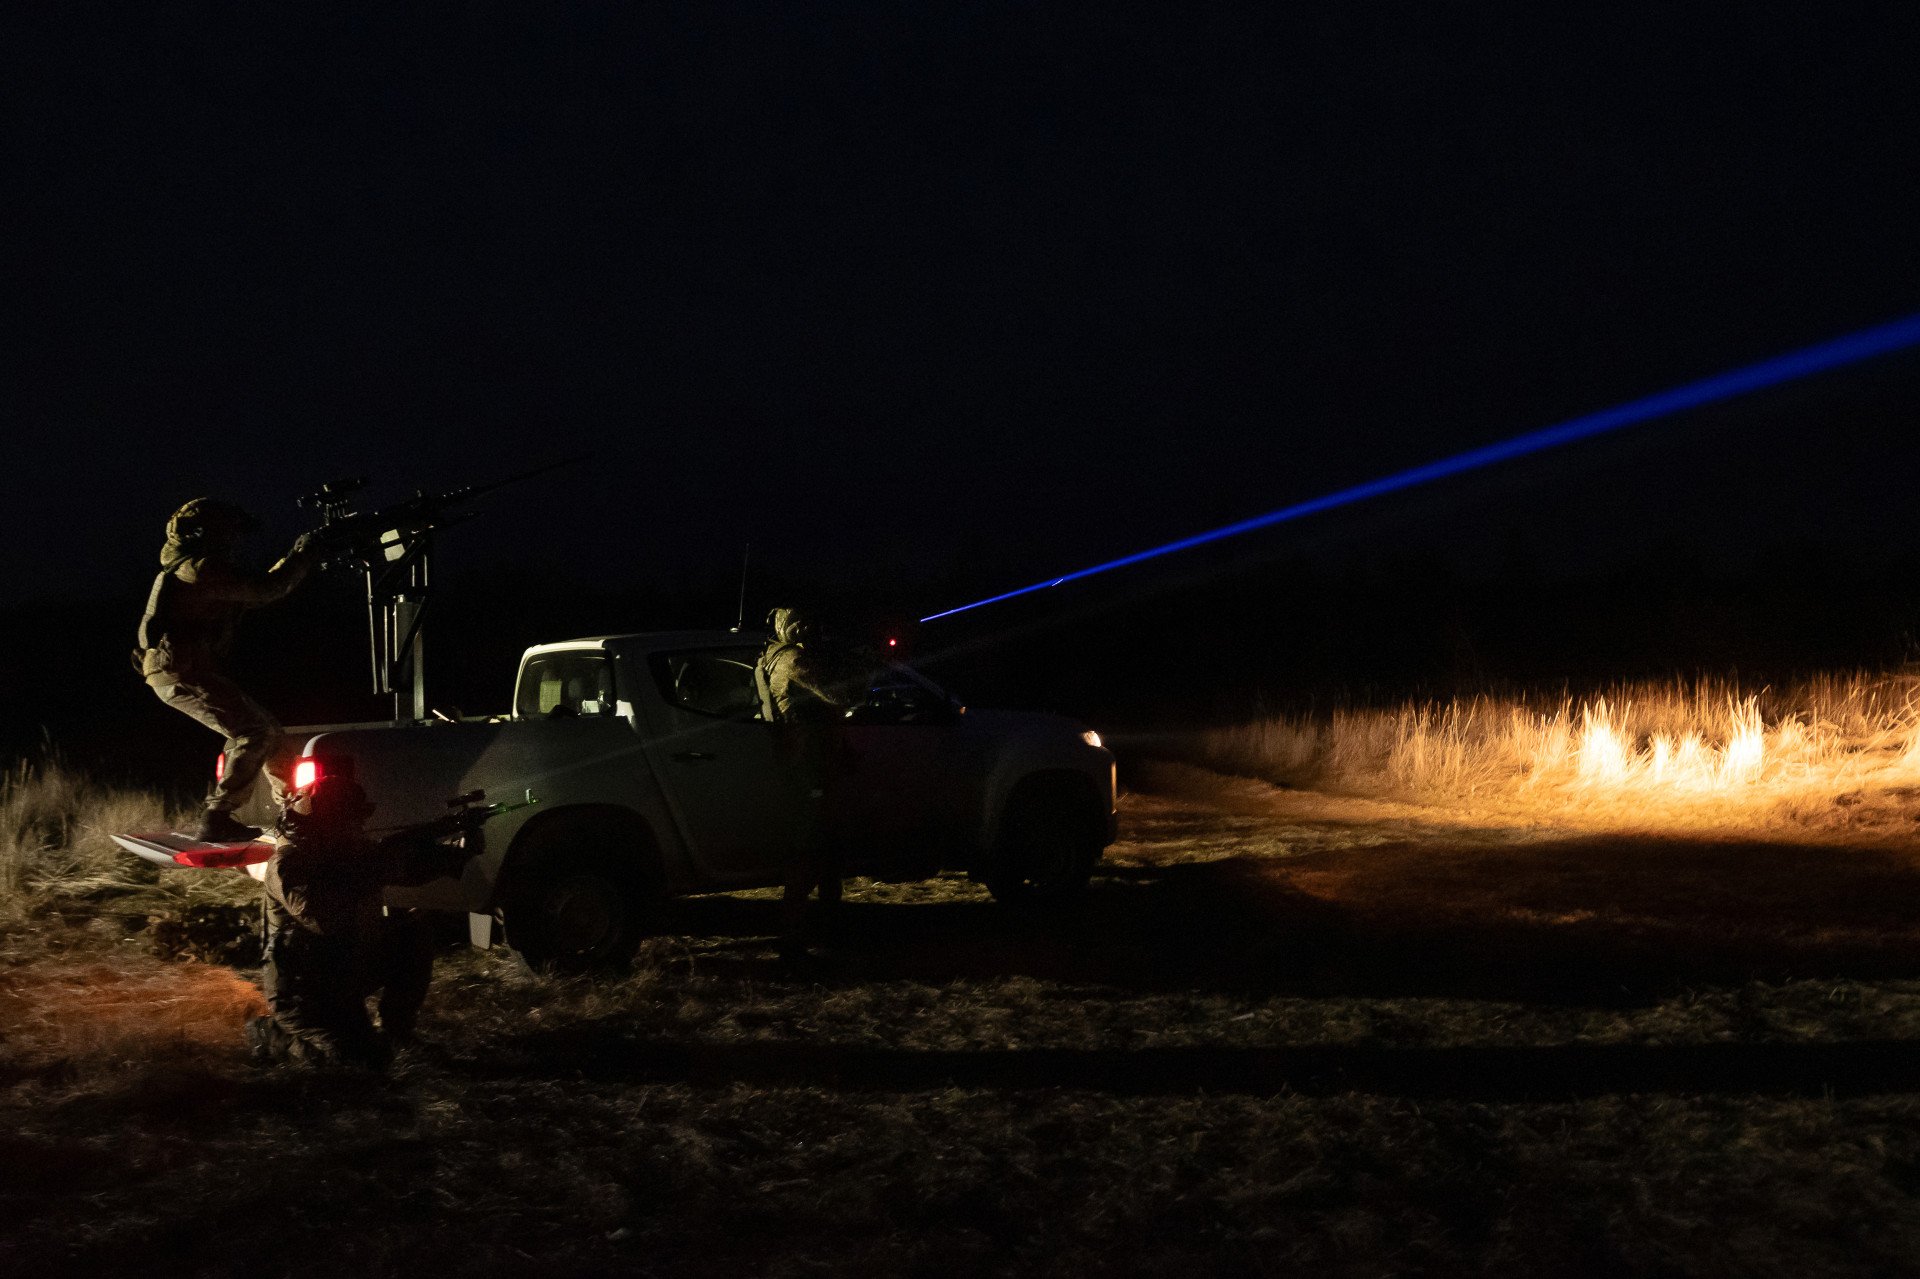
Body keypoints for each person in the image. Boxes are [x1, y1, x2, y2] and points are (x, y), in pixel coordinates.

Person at [245, 774, 465, 1069]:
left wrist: (451, 857)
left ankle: (397, 1032)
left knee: (412, 935)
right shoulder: (287, 863)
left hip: (341, 971)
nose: (358, 827)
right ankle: (272, 1033)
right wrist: (369, 870)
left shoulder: (348, 853)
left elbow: (406, 871)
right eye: (349, 820)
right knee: (350, 1062)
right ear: (326, 823)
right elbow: (323, 918)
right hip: (302, 991)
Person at [135, 498, 317, 842]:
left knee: (270, 734)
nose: (235, 541)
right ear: (209, 533)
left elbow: (256, 588)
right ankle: (217, 816)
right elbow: (267, 588)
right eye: (230, 533)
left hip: (185, 670)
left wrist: (299, 557)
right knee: (255, 732)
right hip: (179, 672)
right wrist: (304, 554)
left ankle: (293, 812)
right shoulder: (201, 569)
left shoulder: (196, 567)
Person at [754, 606, 864, 957]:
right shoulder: (793, 662)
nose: (810, 633)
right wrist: (863, 665)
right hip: (808, 768)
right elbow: (846, 696)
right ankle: (796, 935)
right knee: (811, 852)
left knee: (826, 851)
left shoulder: (773, 658)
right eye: (804, 626)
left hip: (807, 764)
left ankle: (821, 929)